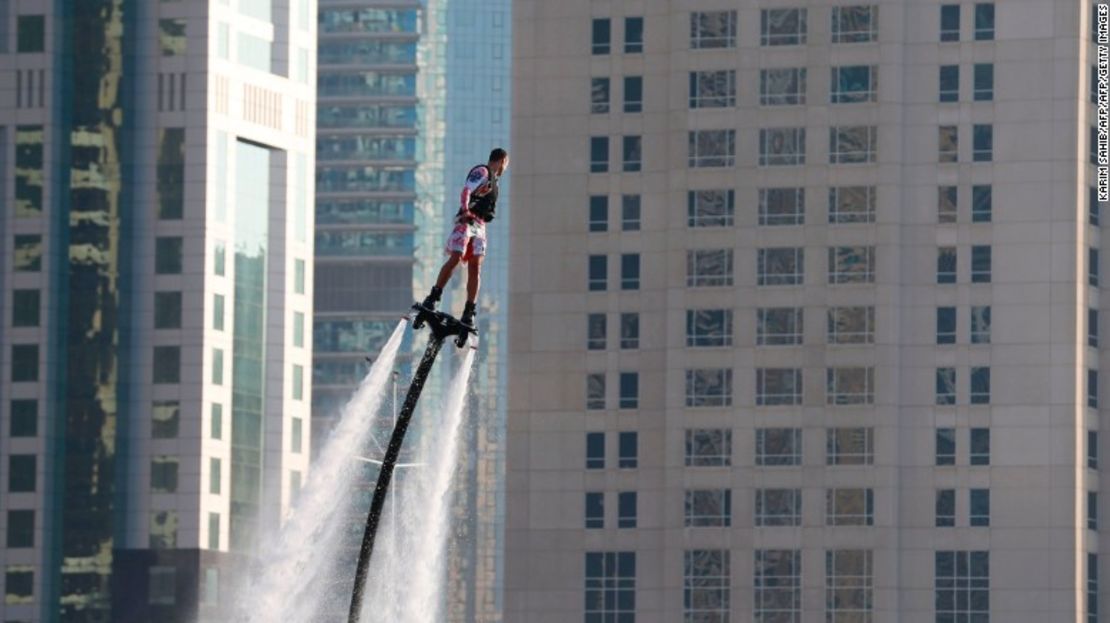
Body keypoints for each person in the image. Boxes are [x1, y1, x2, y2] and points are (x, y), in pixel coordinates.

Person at [420, 148, 508, 327]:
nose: (506, 168)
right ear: (502, 160)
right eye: (506, 163)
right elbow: (466, 191)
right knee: (456, 258)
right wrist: (466, 210)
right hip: (468, 219)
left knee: (476, 266)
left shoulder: (495, 182)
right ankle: (434, 296)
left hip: (481, 225)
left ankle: (469, 310)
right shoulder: (482, 172)